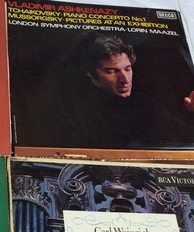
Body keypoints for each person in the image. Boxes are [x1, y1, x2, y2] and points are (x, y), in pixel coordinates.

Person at [47, 33, 194, 149]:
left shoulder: (145, 103)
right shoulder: (71, 112)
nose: (125, 79)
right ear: (90, 73)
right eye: (112, 71)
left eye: (127, 69)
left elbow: (182, 136)